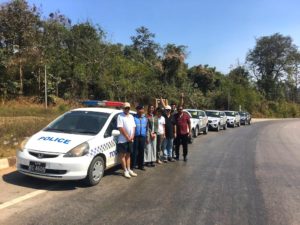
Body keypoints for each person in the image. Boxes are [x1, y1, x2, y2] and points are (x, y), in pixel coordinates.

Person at [117, 102, 138, 178]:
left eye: (128, 108)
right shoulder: (120, 116)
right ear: (123, 108)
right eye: (126, 108)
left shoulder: (131, 116)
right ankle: (125, 171)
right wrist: (127, 137)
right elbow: (120, 128)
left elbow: (134, 127)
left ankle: (129, 169)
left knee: (128, 155)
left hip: (130, 139)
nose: (127, 109)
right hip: (123, 139)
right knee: (123, 155)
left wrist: (132, 136)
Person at [132, 104, 148, 170]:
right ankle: (133, 165)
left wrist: (147, 137)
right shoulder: (133, 117)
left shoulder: (145, 119)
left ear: (143, 110)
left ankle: (141, 165)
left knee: (141, 151)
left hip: (143, 136)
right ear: (137, 110)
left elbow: (147, 128)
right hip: (136, 136)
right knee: (135, 151)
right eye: (139, 109)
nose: (140, 111)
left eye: (141, 109)